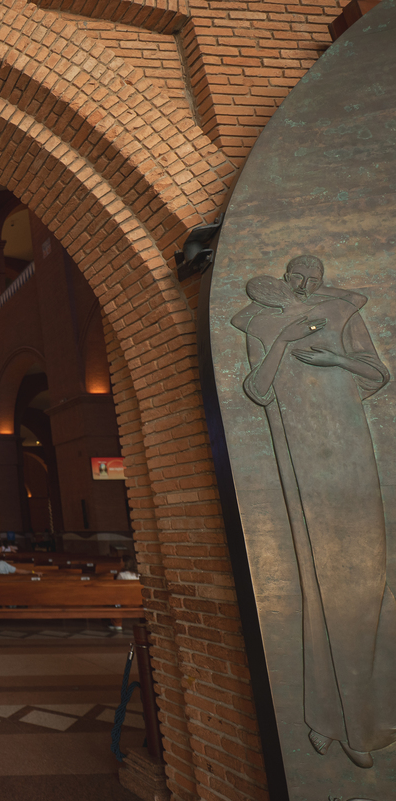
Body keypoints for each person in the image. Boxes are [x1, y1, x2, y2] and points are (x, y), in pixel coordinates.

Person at [233, 256, 396, 767]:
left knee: (365, 579)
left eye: (316, 274)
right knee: (314, 582)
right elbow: (257, 390)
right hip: (298, 453)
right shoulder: (256, 323)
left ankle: (364, 719)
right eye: (300, 274)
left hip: (347, 447)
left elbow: (375, 372)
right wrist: (283, 344)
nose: (309, 282)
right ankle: (326, 716)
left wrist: (337, 362)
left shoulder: (341, 313)